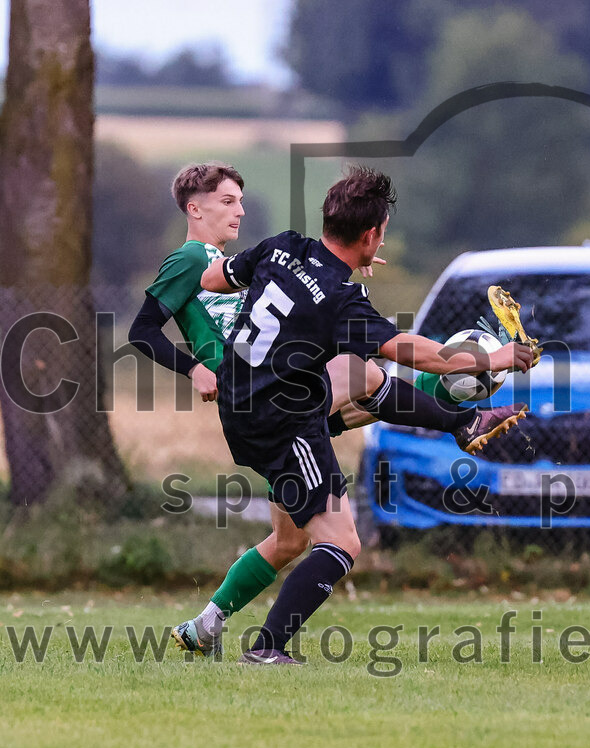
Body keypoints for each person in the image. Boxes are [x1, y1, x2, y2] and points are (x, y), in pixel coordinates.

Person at [129, 162, 530, 658]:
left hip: (261, 399)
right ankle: (267, 650)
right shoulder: (209, 260)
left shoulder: (279, 248)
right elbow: (150, 325)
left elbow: (219, 283)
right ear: (369, 235)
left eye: (240, 200)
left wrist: (323, 274)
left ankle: (205, 626)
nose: (240, 210)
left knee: (289, 540)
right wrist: (492, 358)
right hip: (272, 410)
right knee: (345, 513)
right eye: (228, 201)